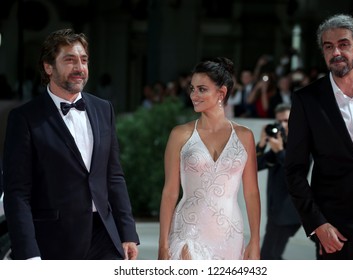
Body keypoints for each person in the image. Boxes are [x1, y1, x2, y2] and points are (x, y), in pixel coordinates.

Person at [2, 29, 139, 260]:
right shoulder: (24, 118)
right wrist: (28, 254)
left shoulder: (104, 109)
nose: (79, 67)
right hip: (54, 241)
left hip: (104, 236)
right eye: (69, 60)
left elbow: (114, 176)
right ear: (48, 67)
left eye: (83, 60)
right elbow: (17, 193)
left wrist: (127, 233)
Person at [285, 14, 353, 259]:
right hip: (336, 228)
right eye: (329, 47)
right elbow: (295, 170)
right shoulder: (307, 100)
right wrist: (317, 223)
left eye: (343, 44)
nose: (336, 52)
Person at [158, 57, 261, 260]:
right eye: (192, 89)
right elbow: (170, 191)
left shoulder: (244, 136)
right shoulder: (180, 134)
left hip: (230, 234)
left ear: (221, 93)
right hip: (188, 230)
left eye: (202, 89)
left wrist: (255, 241)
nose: (194, 95)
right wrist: (163, 244)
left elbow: (251, 193)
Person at [256, 103, 302, 259]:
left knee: (268, 257)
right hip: (275, 212)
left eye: (286, 121)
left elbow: (297, 173)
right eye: (279, 121)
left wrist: (280, 152)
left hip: (287, 214)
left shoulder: (302, 144)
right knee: (272, 256)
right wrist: (262, 144)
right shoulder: (279, 144)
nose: (282, 125)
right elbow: (256, 165)